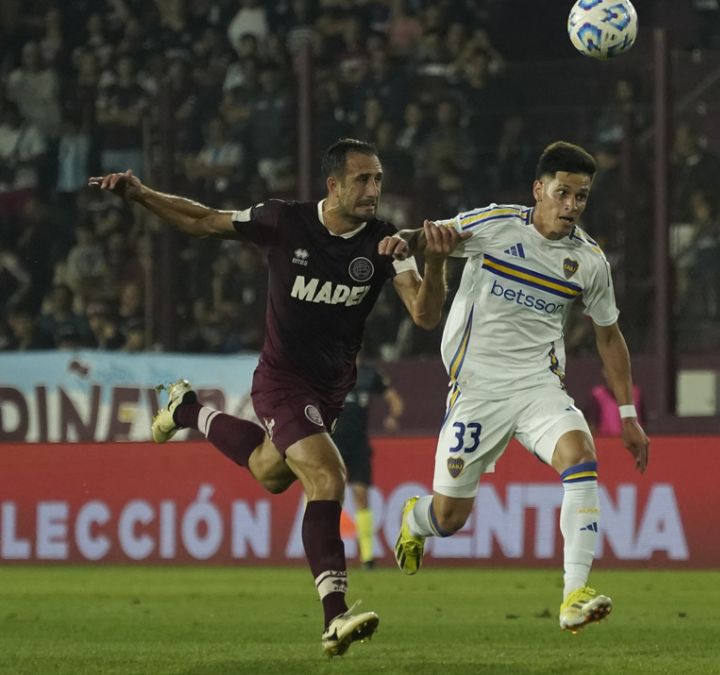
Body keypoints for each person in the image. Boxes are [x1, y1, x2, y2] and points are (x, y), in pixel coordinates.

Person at [88, 138, 469, 656]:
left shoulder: (384, 242)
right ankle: (335, 617)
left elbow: (424, 315)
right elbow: (204, 220)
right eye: (362, 179)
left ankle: (186, 409)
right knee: (328, 476)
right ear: (333, 185)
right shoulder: (283, 221)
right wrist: (140, 194)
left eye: (378, 179)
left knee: (270, 473)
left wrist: (437, 263)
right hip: (281, 379)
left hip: (331, 389)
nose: (373, 189)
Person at [382, 141, 650, 634]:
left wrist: (628, 414)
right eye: (563, 193)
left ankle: (574, 595)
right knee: (449, 518)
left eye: (581, 197)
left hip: (537, 385)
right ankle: (416, 519)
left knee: (581, 455)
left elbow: (609, 336)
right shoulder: (496, 224)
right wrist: (398, 242)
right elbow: (428, 237)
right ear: (538, 190)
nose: (572, 205)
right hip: (477, 390)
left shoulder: (589, 261)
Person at [331, 354, 405, 569]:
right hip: (332, 444)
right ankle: (327, 552)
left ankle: (367, 557)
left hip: (358, 445)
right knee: (330, 497)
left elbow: (396, 401)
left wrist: (394, 417)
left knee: (361, 497)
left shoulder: (370, 375)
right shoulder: (329, 372)